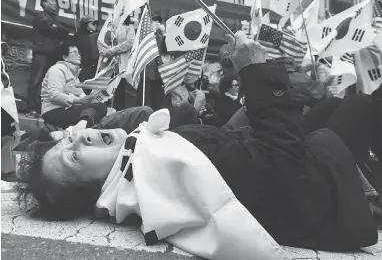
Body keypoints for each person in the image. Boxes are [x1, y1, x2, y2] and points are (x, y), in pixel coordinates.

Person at [17, 31, 379, 252]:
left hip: (306, 173)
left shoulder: (148, 159)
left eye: (69, 139)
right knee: (362, 107)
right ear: (95, 193)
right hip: (324, 192)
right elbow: (282, 159)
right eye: (74, 158)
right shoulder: (169, 171)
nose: (81, 137)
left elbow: (239, 144)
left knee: (334, 104)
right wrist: (256, 72)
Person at [40, 42, 107, 128]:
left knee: (100, 109)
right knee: (99, 108)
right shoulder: (57, 70)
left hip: (66, 109)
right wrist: (77, 100)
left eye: (79, 53)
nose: (78, 55)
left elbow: (81, 96)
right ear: (65, 57)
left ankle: (74, 131)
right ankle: (73, 132)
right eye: (74, 53)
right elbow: (53, 94)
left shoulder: (74, 75)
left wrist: (91, 99)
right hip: (53, 111)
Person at [26, 0, 69, 118]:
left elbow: (65, 32)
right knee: (36, 81)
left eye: (55, 2)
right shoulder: (40, 16)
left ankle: (42, 109)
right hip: (42, 54)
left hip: (53, 55)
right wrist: (57, 28)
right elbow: (50, 29)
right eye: (51, 1)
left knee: (49, 83)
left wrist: (57, 27)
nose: (55, 4)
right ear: (44, 3)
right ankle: (32, 109)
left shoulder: (55, 19)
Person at [98, 16, 136, 111]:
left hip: (122, 63)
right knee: (105, 89)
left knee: (119, 89)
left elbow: (130, 43)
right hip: (107, 63)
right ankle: (103, 110)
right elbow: (100, 41)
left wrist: (113, 50)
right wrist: (105, 51)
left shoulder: (129, 27)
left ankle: (117, 111)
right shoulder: (109, 26)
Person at [74, 15, 99, 86]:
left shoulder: (98, 34)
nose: (95, 25)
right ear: (86, 24)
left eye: (96, 24)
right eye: (93, 23)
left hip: (96, 66)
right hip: (85, 66)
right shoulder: (78, 35)